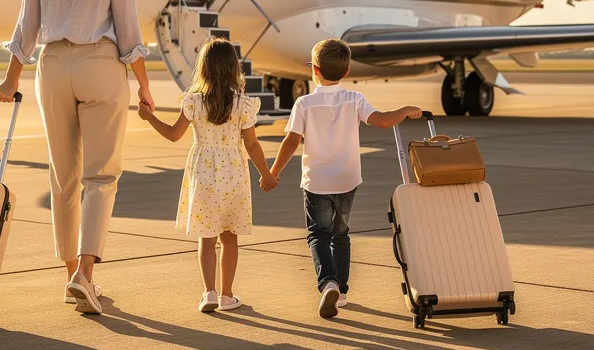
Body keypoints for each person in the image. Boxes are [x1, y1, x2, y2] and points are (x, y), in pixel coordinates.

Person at [0, 0, 155, 315]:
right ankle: (85, 275)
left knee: (63, 178)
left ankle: (72, 277)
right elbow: (128, 31)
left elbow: (26, 26)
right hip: (100, 66)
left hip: (52, 67)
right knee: (101, 177)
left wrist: (11, 81)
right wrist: (143, 84)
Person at [268, 38, 421, 319]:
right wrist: (406, 110)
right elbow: (384, 121)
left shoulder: (305, 103)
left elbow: (291, 141)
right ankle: (344, 291)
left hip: (316, 182)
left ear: (314, 69)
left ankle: (328, 282)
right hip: (347, 181)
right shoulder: (354, 99)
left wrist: (273, 172)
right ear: (347, 71)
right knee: (341, 235)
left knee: (318, 235)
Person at [137, 38, 276, 313]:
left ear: (204, 68)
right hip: (234, 174)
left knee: (207, 237)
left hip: (203, 174)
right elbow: (251, 144)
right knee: (229, 237)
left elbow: (174, 134)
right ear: (233, 69)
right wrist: (267, 174)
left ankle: (209, 293)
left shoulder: (194, 101)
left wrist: (149, 117)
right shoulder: (243, 105)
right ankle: (227, 295)